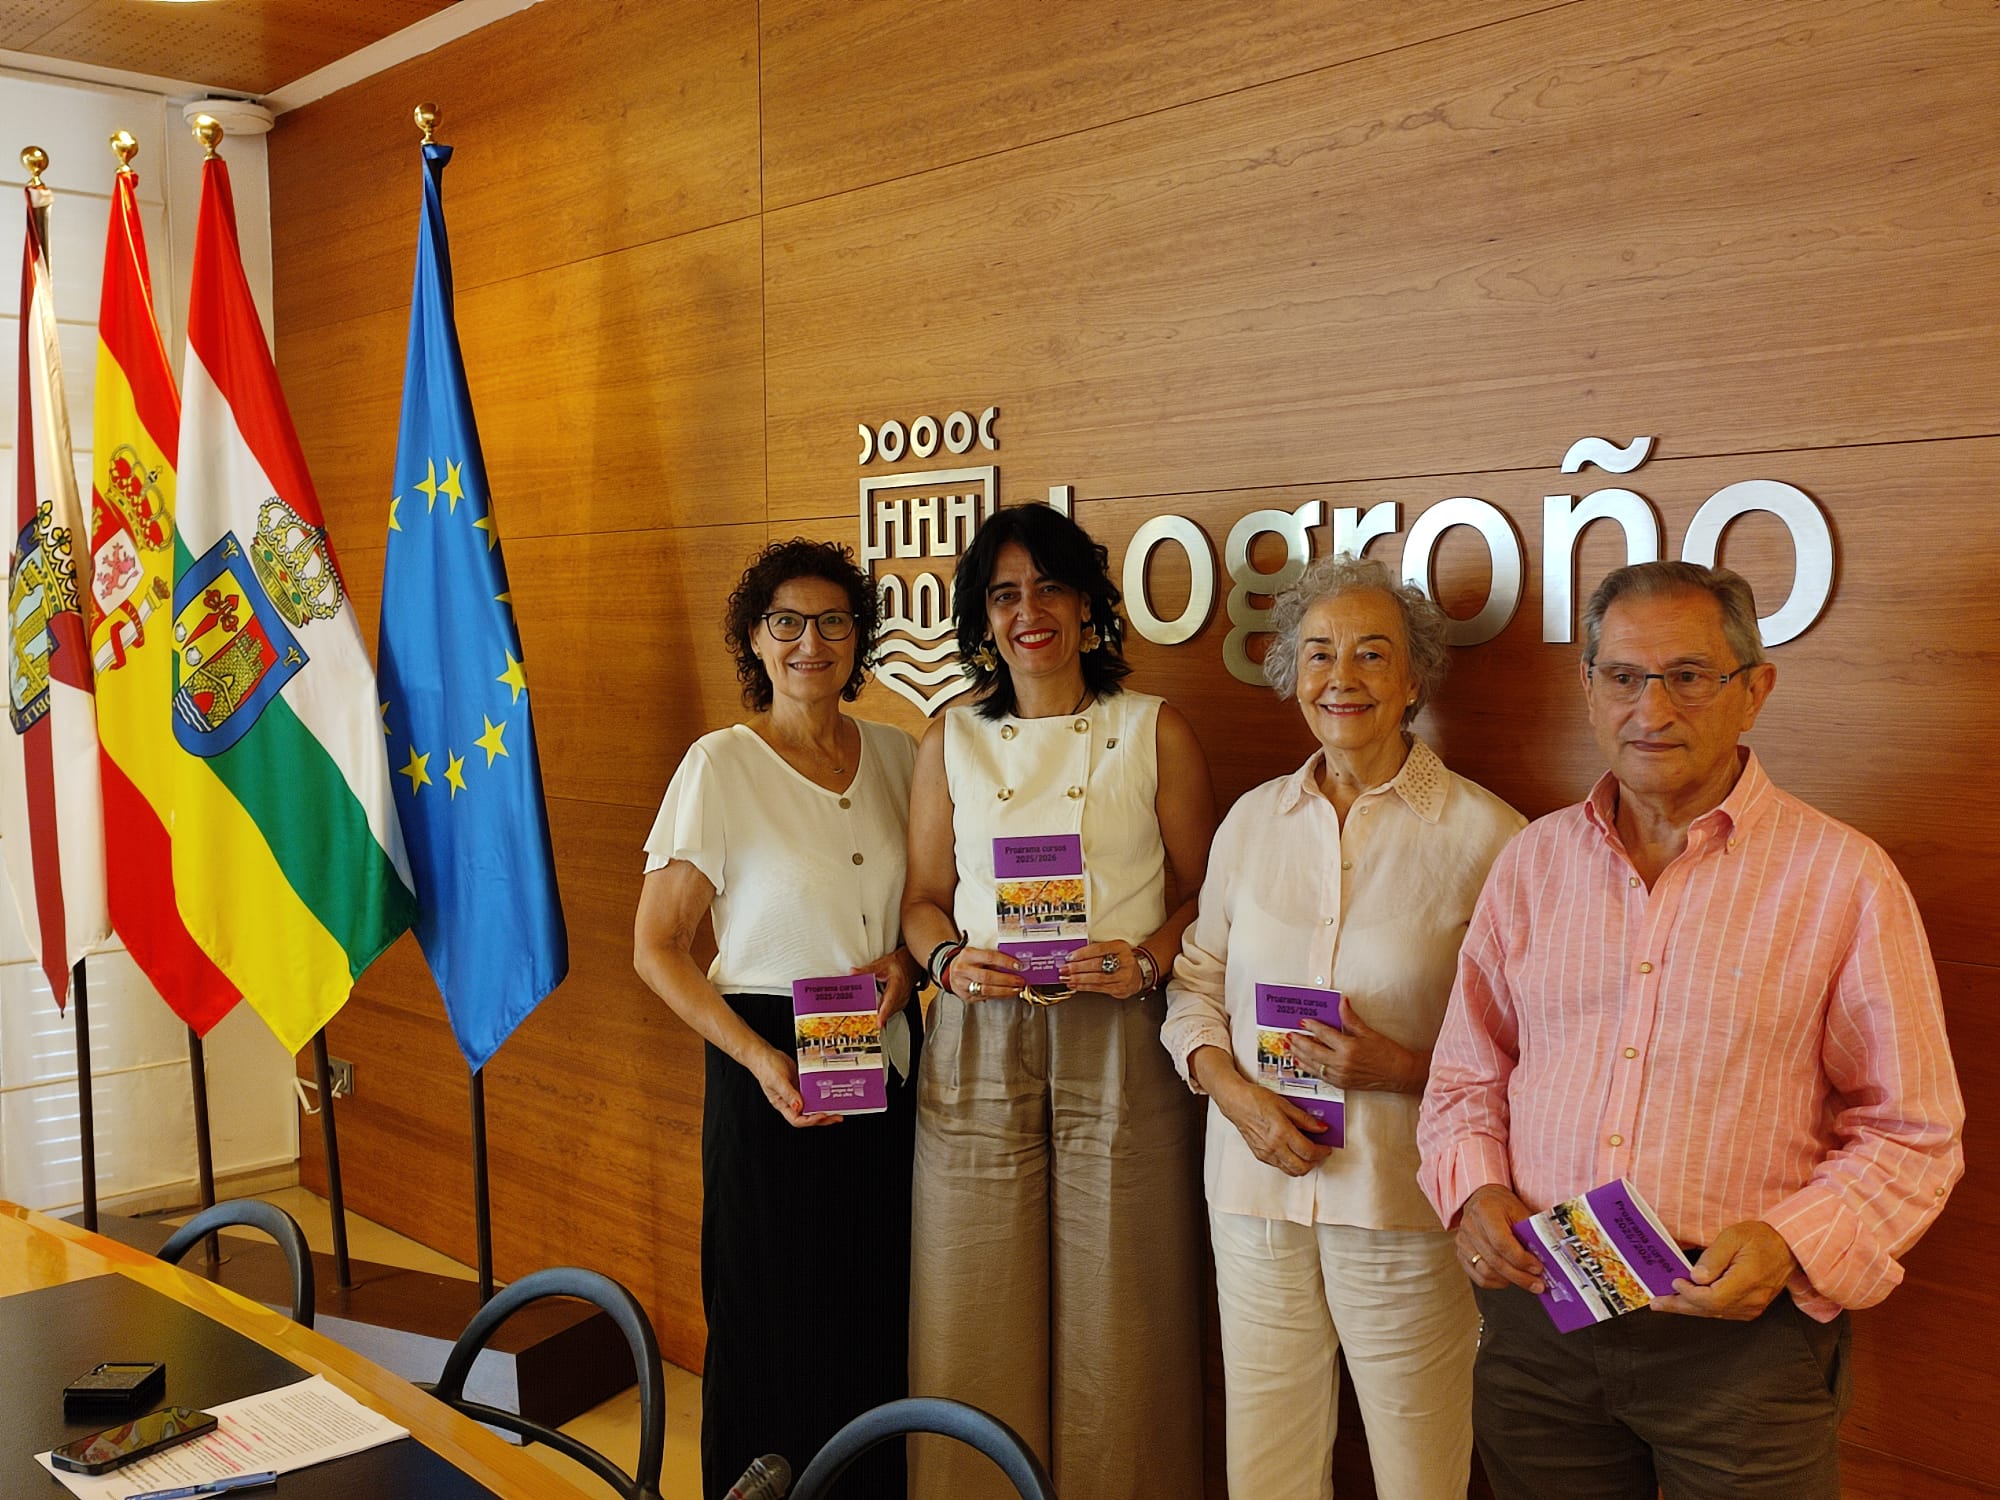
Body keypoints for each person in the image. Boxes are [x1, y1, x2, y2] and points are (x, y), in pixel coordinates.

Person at [1418, 560, 1965, 1500]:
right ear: (1588, 688)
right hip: (1541, 1321)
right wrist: (1473, 1194)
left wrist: (1792, 1242)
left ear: (1755, 691)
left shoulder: (1844, 879)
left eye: (1688, 676)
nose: (1651, 708)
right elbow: (1468, 1076)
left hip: (1741, 1353)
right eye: (1623, 676)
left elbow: (1914, 1129)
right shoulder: (1533, 864)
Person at [1160, 555, 1524, 1499]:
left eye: (1372, 654)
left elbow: (1534, 1045)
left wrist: (1402, 1066)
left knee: (1420, 1466)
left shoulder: (1490, 840)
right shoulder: (1250, 822)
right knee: (1268, 1466)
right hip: (1254, 1195)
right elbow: (1195, 981)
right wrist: (1234, 1094)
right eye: (1318, 654)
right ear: (1290, 673)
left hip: (1401, 1204)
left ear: (1414, 680)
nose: (1342, 677)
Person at [901, 502, 1215, 1500]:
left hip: (1117, 1035)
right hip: (976, 1039)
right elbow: (916, 904)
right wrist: (947, 959)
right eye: (1002, 594)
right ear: (980, 618)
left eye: (1047, 587)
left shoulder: (1151, 727)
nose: (1026, 610)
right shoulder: (948, 736)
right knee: (968, 1303)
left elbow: (1207, 895)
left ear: (1086, 605)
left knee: (1124, 1313)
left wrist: (1148, 961)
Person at [634, 538, 922, 1499]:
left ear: (859, 637)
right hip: (767, 1066)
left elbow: (928, 904)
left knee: (871, 1307)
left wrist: (906, 963)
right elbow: (658, 947)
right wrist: (759, 1060)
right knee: (770, 1316)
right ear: (755, 640)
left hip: (881, 1061)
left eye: (833, 621)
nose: (811, 641)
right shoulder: (721, 764)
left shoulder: (897, 755)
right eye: (787, 622)